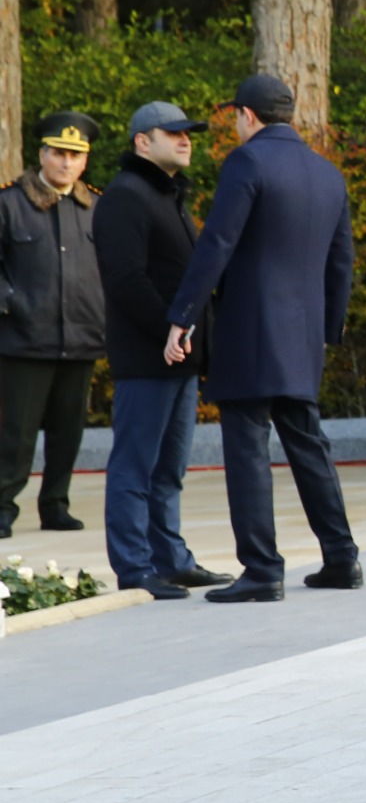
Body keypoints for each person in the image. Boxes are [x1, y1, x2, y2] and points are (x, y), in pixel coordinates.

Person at [164, 75, 361, 602]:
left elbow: (218, 242)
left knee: (248, 448)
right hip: (303, 337)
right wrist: (327, 330)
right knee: (308, 444)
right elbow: (342, 260)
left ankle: (262, 569)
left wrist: (183, 314)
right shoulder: (327, 174)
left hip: (251, 329)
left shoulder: (247, 162)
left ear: (247, 116)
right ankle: (341, 557)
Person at [95, 103, 227, 598]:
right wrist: (169, 327)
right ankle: (134, 566)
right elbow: (126, 279)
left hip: (179, 355)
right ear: (141, 142)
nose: (186, 138)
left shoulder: (167, 196)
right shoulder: (126, 196)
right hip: (147, 356)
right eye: (172, 132)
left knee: (169, 468)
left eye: (188, 132)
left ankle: (170, 558)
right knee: (135, 465)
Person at [0, 112, 105, 540]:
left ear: (85, 162)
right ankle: (3, 507)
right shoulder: (9, 203)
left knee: (68, 430)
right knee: (15, 433)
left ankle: (55, 505)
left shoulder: (96, 207)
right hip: (25, 338)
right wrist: (13, 303)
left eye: (75, 155)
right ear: (41, 154)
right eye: (58, 153)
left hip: (80, 336)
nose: (66, 163)